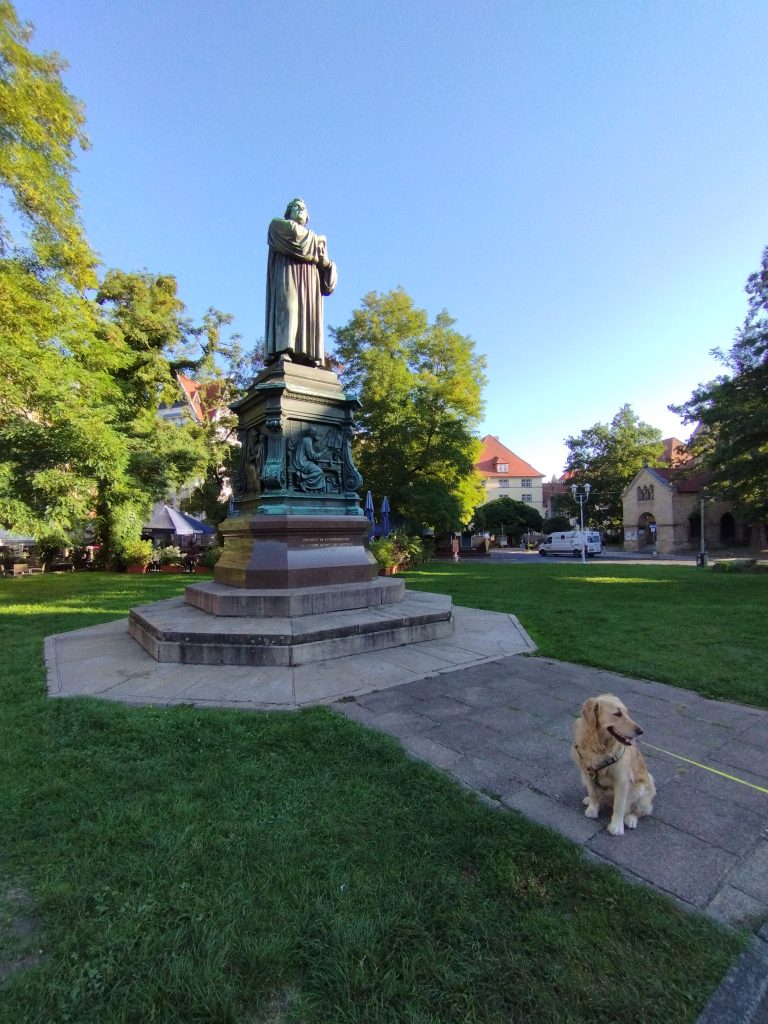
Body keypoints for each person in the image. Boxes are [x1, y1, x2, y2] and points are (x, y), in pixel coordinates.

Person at [265, 198, 337, 366]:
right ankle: (284, 350)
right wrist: (318, 243)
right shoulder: (277, 226)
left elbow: (327, 283)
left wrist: (326, 262)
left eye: (303, 208)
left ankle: (309, 356)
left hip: (310, 285)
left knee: (308, 314)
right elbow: (297, 239)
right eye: (296, 206)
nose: (300, 209)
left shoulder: (317, 242)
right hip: (288, 275)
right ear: (288, 211)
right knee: (289, 309)